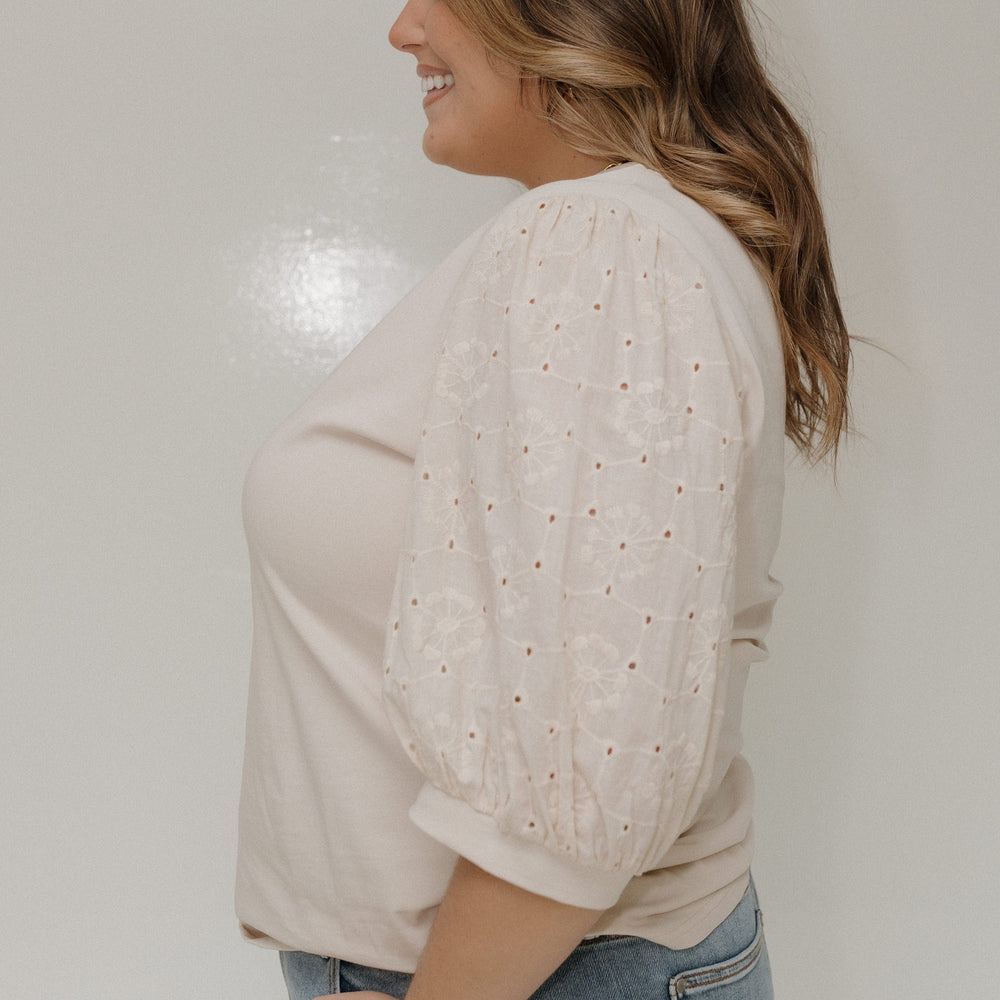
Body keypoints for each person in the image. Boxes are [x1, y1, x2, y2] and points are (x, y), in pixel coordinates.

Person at [235, 0, 851, 998]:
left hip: (520, 971)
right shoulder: (625, 241)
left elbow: (580, 784)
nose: (403, 29)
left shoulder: (602, 245)